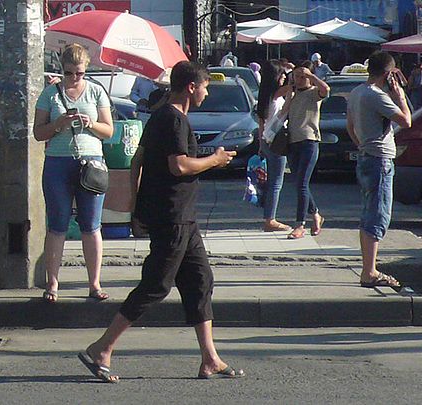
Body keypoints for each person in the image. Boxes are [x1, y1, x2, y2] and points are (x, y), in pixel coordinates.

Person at [78, 61, 242, 383]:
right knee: (156, 284)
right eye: (205, 86)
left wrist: (135, 203)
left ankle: (210, 358)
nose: (207, 93)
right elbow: (179, 166)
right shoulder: (172, 119)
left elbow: (140, 158)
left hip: (183, 217)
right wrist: (215, 160)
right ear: (191, 87)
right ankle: (102, 348)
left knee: (199, 280)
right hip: (172, 216)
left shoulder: (164, 117)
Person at [33, 43, 114, 303]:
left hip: (90, 161)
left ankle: (94, 283)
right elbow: (38, 132)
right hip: (58, 160)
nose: (74, 79)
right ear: (62, 69)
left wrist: (91, 124)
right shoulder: (50, 94)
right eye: (69, 73)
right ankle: (52, 284)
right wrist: (59, 124)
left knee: (91, 225)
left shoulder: (96, 92)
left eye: (79, 73)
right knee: (57, 223)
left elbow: (109, 131)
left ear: (85, 70)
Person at [347, 51, 412, 290]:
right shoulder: (376, 96)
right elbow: (406, 121)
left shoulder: (357, 92)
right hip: (380, 160)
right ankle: (369, 271)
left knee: (369, 211)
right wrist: (401, 97)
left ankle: (369, 267)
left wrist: (362, 144)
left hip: (366, 155)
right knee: (378, 214)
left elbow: (350, 126)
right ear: (388, 74)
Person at [284, 61, 329, 239]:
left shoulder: (313, 93)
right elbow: (283, 111)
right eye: (298, 77)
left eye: (304, 77)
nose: (301, 80)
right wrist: (289, 87)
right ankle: (316, 214)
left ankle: (299, 224)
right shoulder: (293, 94)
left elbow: (325, 89)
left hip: (309, 141)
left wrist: (311, 76)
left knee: (302, 183)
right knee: (298, 183)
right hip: (292, 142)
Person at [255, 60, 293, 232]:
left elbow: (261, 123)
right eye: (282, 74)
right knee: (276, 183)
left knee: (271, 182)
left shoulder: (264, 95)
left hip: (266, 140)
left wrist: (261, 144)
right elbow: (292, 86)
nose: (285, 77)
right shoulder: (276, 94)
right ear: (276, 76)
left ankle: (268, 217)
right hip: (277, 140)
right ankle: (270, 219)